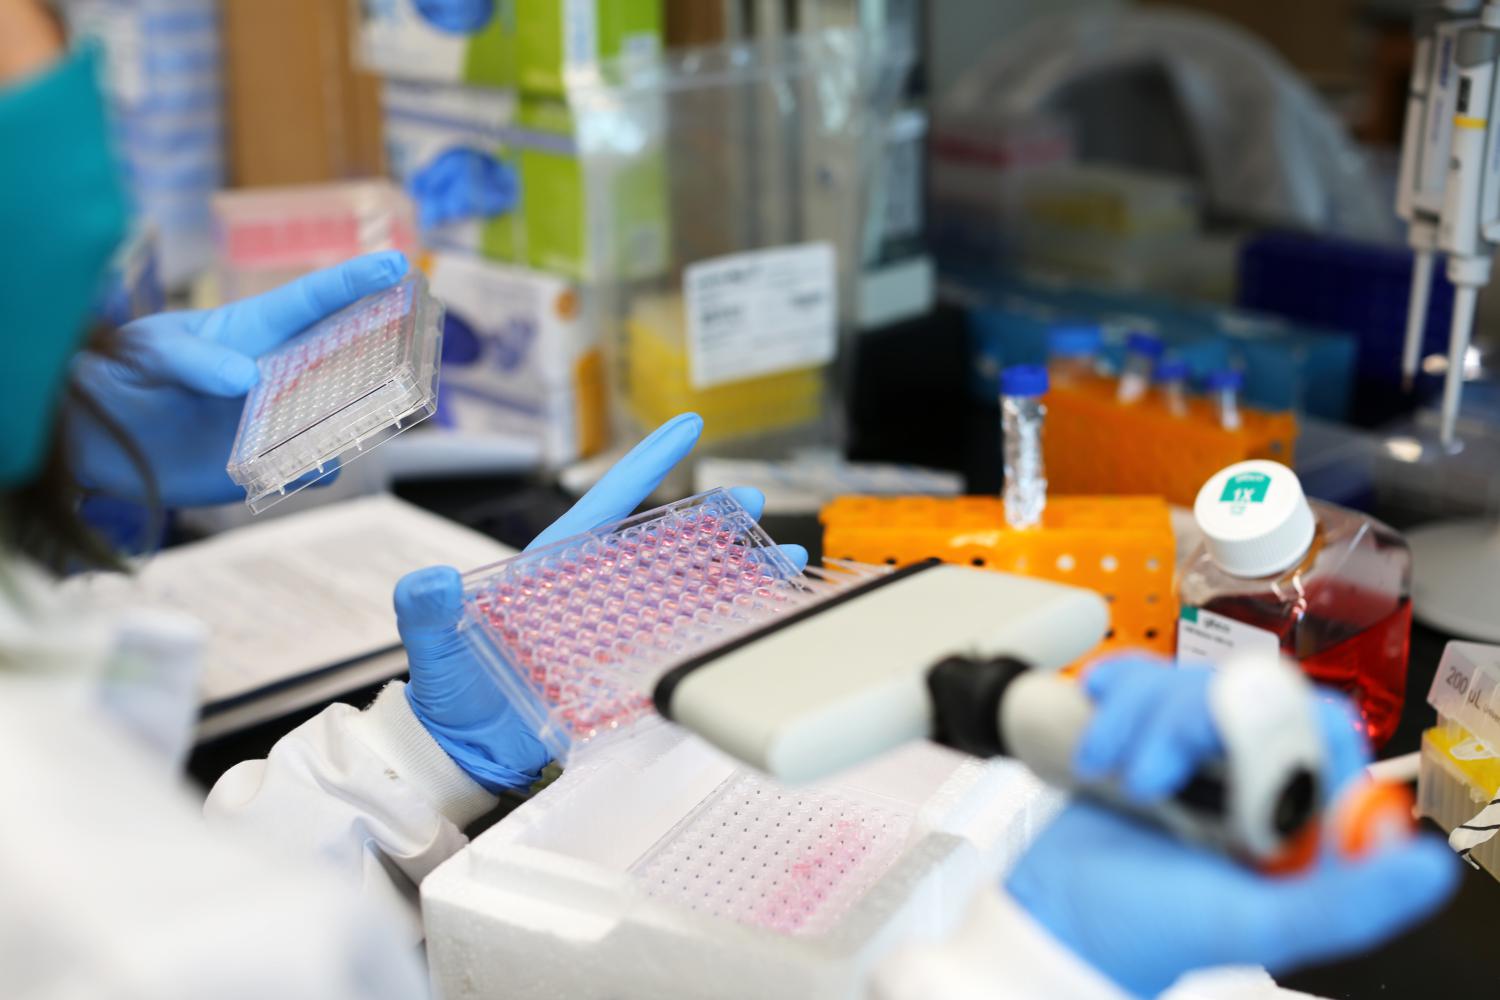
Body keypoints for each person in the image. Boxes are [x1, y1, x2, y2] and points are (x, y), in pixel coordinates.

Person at [0, 6, 1458, 997]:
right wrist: (1032, 956)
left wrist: (402, 766)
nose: (91, 187)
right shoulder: (80, 878)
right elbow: (173, 941)